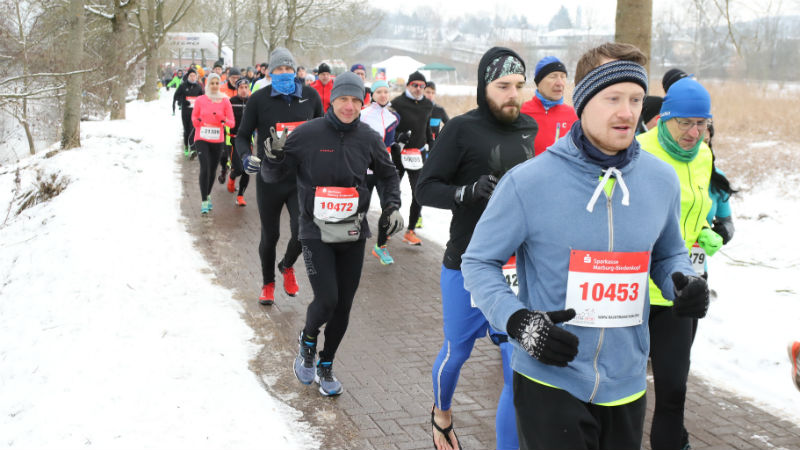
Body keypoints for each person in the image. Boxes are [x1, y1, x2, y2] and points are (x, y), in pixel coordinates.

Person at [461, 42, 710, 450]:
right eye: (613, 98)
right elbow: (479, 262)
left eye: (634, 99)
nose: (627, 112)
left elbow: (668, 254)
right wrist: (518, 322)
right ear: (583, 101)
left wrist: (682, 281)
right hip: (550, 378)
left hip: (627, 383)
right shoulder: (528, 182)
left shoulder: (660, 180)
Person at [416, 47, 536, 450]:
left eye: (519, 86)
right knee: (457, 351)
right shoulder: (461, 130)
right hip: (466, 264)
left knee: (513, 371)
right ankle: (441, 412)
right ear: (484, 86)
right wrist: (465, 192)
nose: (513, 95)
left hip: (516, 267)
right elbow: (425, 188)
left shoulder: (529, 129)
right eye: (503, 86)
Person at [257, 72, 403, 396]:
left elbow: (388, 175)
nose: (349, 106)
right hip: (314, 230)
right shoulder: (307, 134)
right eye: (343, 99)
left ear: (362, 103)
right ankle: (308, 340)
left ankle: (326, 364)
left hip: (352, 229)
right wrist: (273, 157)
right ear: (332, 100)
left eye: (355, 100)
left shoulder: (368, 137)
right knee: (327, 299)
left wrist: (392, 206)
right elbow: (273, 175)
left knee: (344, 307)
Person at [636, 77, 721, 450]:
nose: (694, 132)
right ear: (664, 118)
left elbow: (695, 205)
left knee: (674, 388)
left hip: (681, 289)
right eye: (685, 122)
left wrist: (704, 230)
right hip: (633, 288)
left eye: (701, 123)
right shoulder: (638, 150)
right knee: (621, 390)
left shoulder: (704, 155)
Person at [234, 47, 323, 306]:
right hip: (270, 178)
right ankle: (268, 283)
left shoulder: (311, 96)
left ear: (295, 70)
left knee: (303, 232)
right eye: (279, 69)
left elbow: (323, 131)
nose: (284, 73)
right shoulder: (259, 99)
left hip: (300, 179)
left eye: (288, 68)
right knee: (269, 236)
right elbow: (242, 136)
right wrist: (244, 157)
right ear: (270, 72)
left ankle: (287, 265)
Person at [361, 79, 402, 265]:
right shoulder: (363, 114)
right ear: (372, 94)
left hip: (384, 168)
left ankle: (381, 246)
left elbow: (390, 145)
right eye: (379, 92)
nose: (383, 95)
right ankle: (352, 246)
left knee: (390, 207)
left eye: (386, 92)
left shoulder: (394, 117)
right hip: (365, 168)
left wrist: (399, 146)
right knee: (360, 209)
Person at [390, 71, 434, 246]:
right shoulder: (397, 103)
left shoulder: (427, 104)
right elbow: (389, 129)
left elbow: (426, 127)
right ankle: (387, 227)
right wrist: (399, 136)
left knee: (419, 193)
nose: (418, 89)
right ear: (408, 85)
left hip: (418, 154)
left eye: (422, 86)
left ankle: (410, 231)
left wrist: (432, 145)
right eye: (415, 85)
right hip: (399, 153)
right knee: (393, 192)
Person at [191, 73, 234, 214]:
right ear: (207, 84)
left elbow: (232, 122)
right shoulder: (200, 99)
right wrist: (196, 122)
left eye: (217, 83)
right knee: (205, 167)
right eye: (212, 83)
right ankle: (204, 200)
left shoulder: (225, 100)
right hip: (201, 137)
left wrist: (223, 119)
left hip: (217, 139)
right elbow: (194, 116)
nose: (214, 86)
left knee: (212, 170)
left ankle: (208, 194)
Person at [520, 56, 578, 156]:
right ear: (538, 82)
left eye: (563, 76)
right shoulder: (521, 113)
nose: (560, 83)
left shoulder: (574, 116)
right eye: (553, 76)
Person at [226, 78, 252, 206]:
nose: (244, 90)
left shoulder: (252, 102)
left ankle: (240, 196)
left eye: (246, 87)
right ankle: (232, 177)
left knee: (247, 169)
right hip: (234, 139)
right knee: (238, 169)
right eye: (241, 87)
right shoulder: (231, 102)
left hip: (247, 140)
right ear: (237, 89)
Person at [173, 68, 204, 158]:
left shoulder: (198, 87)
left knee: (193, 129)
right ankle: (186, 146)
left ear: (196, 76)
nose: (193, 77)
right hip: (185, 111)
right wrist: (182, 101)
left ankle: (193, 148)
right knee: (186, 130)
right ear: (188, 76)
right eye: (191, 75)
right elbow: (176, 96)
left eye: (194, 76)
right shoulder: (183, 86)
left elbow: (202, 98)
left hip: (195, 112)